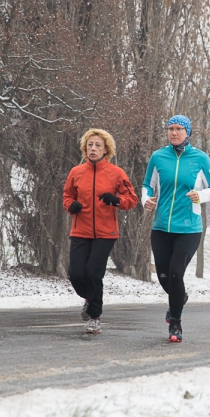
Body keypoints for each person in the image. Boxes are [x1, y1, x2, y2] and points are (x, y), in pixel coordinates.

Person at [142, 115, 210, 342]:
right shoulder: (158, 157)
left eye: (178, 129)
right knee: (165, 278)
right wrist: (145, 199)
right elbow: (148, 184)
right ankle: (180, 297)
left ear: (188, 132)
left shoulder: (200, 158)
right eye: (170, 129)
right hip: (161, 227)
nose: (174, 133)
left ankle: (175, 323)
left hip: (189, 229)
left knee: (176, 272)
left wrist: (200, 195)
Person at [63, 129, 139, 334]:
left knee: (93, 273)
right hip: (80, 230)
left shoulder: (116, 173)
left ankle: (94, 316)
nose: (93, 148)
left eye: (97, 145)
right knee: (76, 274)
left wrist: (116, 200)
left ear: (106, 149)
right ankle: (89, 297)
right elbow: (67, 196)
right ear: (85, 148)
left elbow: (132, 199)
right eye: (90, 145)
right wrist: (71, 206)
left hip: (106, 233)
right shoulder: (76, 172)